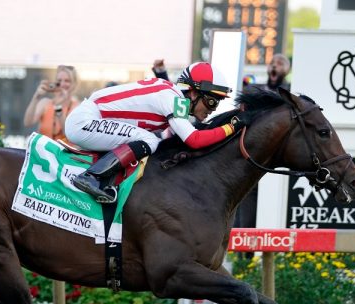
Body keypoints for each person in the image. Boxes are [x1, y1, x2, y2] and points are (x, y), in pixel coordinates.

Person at [66, 62, 248, 203]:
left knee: (149, 140)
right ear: (193, 93)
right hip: (85, 121)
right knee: (149, 140)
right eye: (211, 101)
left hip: (90, 120)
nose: (212, 109)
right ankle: (92, 176)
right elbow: (194, 140)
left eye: (217, 103)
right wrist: (231, 127)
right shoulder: (172, 98)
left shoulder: (172, 95)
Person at [22, 65, 79, 142]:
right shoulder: (45, 103)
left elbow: (68, 134)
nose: (62, 84)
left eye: (67, 81)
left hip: (64, 153)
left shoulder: (77, 107)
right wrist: (36, 97)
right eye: (59, 81)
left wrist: (58, 107)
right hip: (43, 151)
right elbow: (27, 122)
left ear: (74, 84)